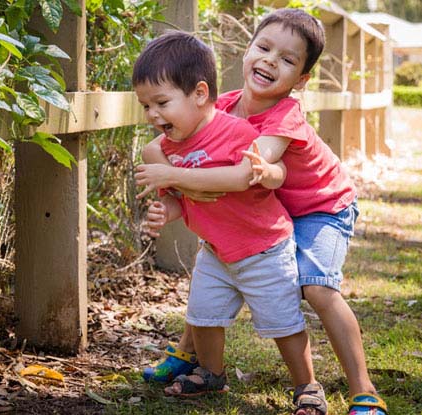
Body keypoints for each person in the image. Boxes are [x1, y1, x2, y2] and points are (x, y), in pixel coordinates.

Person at [135, 8, 387, 415]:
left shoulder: (285, 114)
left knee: (317, 288)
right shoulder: (225, 106)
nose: (271, 60)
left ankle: (364, 389)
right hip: (273, 207)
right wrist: (172, 182)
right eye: (264, 47)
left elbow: (244, 175)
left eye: (287, 60)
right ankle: (189, 355)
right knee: (216, 263)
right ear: (248, 50)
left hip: (321, 205)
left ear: (301, 80)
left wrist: (176, 175)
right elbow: (176, 149)